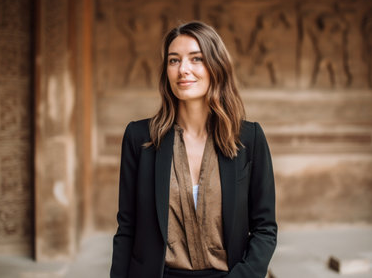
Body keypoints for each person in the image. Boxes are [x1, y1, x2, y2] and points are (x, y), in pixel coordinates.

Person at [110, 21, 277, 278]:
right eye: (174, 61)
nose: (183, 70)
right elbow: (127, 228)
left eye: (196, 59)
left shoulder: (249, 138)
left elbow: (264, 229)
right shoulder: (139, 138)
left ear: (216, 66)